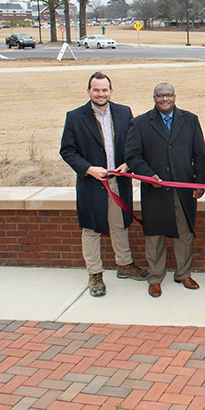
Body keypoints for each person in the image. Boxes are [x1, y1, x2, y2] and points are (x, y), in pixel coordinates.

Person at [60, 72, 147, 297]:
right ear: (88, 91)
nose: (101, 94)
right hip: (92, 183)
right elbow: (67, 151)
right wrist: (89, 169)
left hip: (119, 181)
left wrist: (127, 164)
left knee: (120, 225)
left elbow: (133, 144)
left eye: (104, 90)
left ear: (111, 91)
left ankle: (125, 265)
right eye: (96, 90)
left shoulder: (124, 112)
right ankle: (95, 274)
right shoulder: (75, 117)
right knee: (91, 229)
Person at [125, 83, 205, 298]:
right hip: (155, 189)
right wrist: (147, 174)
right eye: (160, 95)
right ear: (154, 97)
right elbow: (133, 156)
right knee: (155, 236)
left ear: (174, 96)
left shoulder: (190, 120)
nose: (164, 99)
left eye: (168, 95)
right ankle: (155, 278)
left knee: (184, 234)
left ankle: (183, 274)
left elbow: (199, 153)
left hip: (183, 188)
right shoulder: (140, 123)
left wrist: (200, 182)